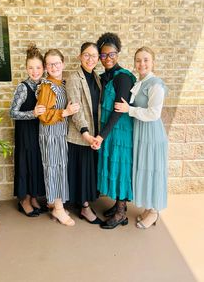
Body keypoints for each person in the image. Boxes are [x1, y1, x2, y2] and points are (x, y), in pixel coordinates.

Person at [115, 46, 168, 229]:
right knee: (144, 168)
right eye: (138, 60)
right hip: (140, 131)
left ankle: (154, 212)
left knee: (152, 169)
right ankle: (148, 207)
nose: (142, 63)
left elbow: (154, 113)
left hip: (151, 133)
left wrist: (129, 110)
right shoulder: (140, 82)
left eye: (146, 60)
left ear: (153, 62)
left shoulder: (155, 84)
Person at [92, 32, 136, 229]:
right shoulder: (104, 76)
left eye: (112, 54)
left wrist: (102, 135)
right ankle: (119, 205)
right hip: (109, 129)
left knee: (120, 168)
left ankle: (121, 213)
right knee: (113, 165)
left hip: (120, 131)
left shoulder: (123, 78)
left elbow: (119, 110)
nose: (108, 59)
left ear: (118, 54)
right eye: (103, 55)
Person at [36, 49, 79, 226]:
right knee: (54, 170)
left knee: (60, 169)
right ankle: (59, 209)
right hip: (50, 134)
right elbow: (43, 116)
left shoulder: (62, 83)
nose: (53, 67)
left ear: (63, 63)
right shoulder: (47, 86)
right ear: (46, 67)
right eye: (50, 64)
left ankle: (56, 204)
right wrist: (65, 112)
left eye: (57, 63)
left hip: (60, 133)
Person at [65, 42, 102, 224]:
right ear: (80, 56)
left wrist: (96, 135)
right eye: (86, 55)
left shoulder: (96, 78)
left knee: (89, 171)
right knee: (82, 172)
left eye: (94, 56)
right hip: (80, 135)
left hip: (94, 133)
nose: (90, 59)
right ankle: (85, 208)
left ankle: (85, 204)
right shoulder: (74, 78)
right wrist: (86, 133)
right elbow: (76, 110)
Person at [10, 43, 46, 217]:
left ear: (43, 68)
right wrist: (32, 113)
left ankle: (33, 197)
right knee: (25, 165)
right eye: (31, 68)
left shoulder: (44, 86)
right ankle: (23, 200)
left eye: (38, 67)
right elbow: (12, 112)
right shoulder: (23, 87)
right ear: (26, 68)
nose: (35, 71)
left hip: (38, 133)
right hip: (25, 133)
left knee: (35, 164)